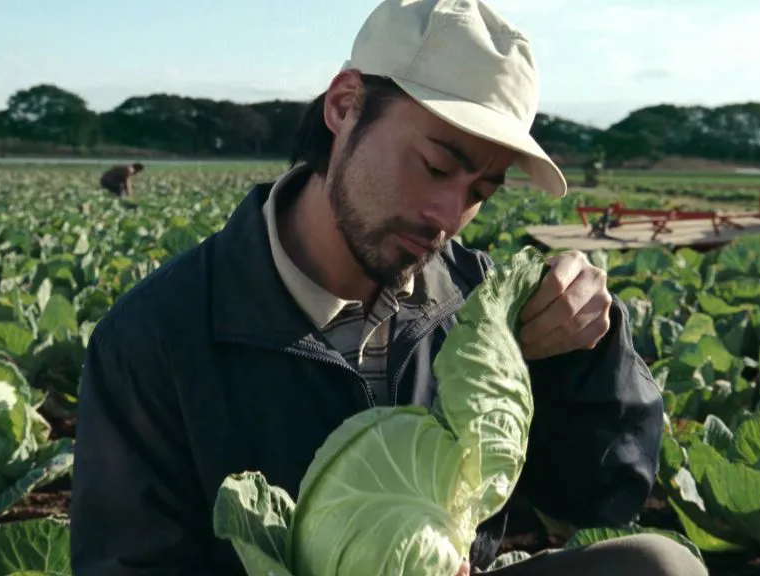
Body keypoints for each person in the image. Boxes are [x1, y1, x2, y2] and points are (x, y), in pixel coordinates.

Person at [70, 1, 706, 575]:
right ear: (344, 106)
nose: (447, 215)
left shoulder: (477, 304)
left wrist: (586, 353)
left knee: (659, 567)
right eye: (435, 166)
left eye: (479, 193)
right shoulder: (156, 337)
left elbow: (596, 498)